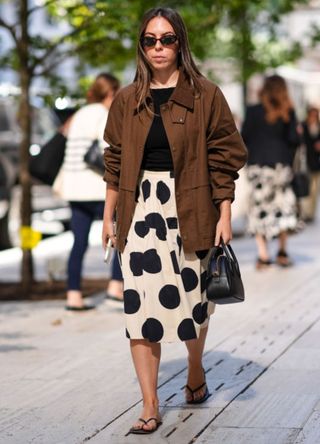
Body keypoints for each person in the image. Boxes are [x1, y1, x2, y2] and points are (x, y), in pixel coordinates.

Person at [102, 7, 247, 434]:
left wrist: (225, 213)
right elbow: (114, 161)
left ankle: (195, 370)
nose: (158, 47)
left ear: (180, 42)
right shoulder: (128, 99)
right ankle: (149, 405)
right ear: (141, 46)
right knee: (139, 307)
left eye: (166, 39)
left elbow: (225, 158)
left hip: (192, 207)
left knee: (192, 303)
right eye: (150, 40)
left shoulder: (205, 95)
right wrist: (108, 218)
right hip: (140, 211)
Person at [54, 73, 120, 310]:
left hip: (74, 189)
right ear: (110, 93)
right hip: (95, 189)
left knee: (78, 243)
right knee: (118, 234)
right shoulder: (102, 115)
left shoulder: (79, 114)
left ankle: (74, 296)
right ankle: (115, 287)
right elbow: (108, 151)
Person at [241, 75, 300, 270]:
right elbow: (294, 139)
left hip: (258, 167)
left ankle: (263, 255)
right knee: (282, 207)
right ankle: (282, 252)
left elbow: (244, 137)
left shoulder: (253, 111)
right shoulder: (288, 112)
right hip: (281, 167)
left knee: (259, 208)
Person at [301, 106, 320, 222]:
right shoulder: (303, 126)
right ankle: (306, 213)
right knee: (306, 189)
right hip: (306, 162)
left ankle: (311, 213)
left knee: (314, 189)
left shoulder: (318, 127)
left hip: (317, 163)